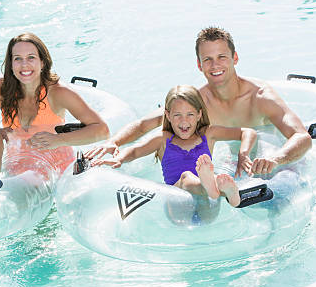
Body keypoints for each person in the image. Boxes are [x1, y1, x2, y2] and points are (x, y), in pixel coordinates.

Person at [86, 27, 312, 177]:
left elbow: (301, 136)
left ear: (235, 58)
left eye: (222, 57)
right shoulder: (198, 102)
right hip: (230, 162)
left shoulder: (261, 97)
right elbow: (146, 124)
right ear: (199, 65)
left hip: (273, 159)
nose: (215, 66)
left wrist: (277, 158)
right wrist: (114, 142)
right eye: (208, 60)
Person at [92, 85, 256, 206]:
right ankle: (216, 189)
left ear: (199, 114)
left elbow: (247, 132)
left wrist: (243, 155)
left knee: (210, 184)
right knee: (186, 177)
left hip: (206, 205)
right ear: (168, 115)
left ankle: (225, 192)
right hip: (177, 205)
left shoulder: (208, 133)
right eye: (177, 115)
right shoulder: (163, 139)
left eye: (190, 115)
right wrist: (119, 158)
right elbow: (135, 151)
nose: (184, 121)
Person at [0, 32, 109, 171]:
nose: (24, 65)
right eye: (17, 59)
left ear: (42, 62)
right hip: (17, 165)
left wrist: (59, 139)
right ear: (11, 64)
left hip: (57, 168)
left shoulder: (58, 93)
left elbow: (102, 130)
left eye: (31, 57)